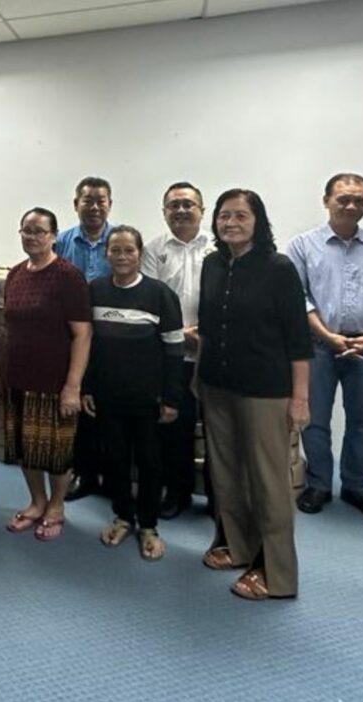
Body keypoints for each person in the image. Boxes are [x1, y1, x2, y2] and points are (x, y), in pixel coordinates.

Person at [198, 188, 311, 600]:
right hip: (217, 385)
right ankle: (239, 547)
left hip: (266, 391)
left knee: (269, 482)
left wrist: (299, 399)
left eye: (240, 216)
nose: (230, 223)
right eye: (223, 216)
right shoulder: (212, 264)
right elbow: (211, 327)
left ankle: (277, 574)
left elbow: (299, 340)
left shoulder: (279, 268)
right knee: (226, 475)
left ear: (258, 222)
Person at [287, 173, 363, 523]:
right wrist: (326, 335)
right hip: (317, 347)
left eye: (360, 200)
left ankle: (356, 486)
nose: (351, 205)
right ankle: (320, 483)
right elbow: (297, 296)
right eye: (343, 199)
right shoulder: (302, 246)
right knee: (315, 419)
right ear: (326, 200)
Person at [83, 226, 183, 561]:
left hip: (149, 400)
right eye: (116, 250)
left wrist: (172, 398)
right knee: (115, 460)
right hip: (108, 397)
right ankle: (124, 516)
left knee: (151, 464)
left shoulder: (159, 294)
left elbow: (174, 351)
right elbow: (87, 347)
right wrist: (86, 388)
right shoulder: (94, 290)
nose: (122, 257)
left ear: (140, 254)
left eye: (129, 250)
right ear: (105, 254)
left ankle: (149, 526)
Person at [0, 207, 91, 541]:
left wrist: (73, 386)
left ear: (54, 236)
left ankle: (56, 505)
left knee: (56, 450)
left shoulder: (68, 276)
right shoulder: (16, 274)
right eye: (26, 230)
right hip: (17, 376)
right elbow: (7, 327)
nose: (32, 237)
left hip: (54, 380)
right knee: (26, 446)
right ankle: (36, 501)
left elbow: (82, 334)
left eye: (39, 231)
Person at [141, 181, 215, 519]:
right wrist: (179, 335)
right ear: (164, 212)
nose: (182, 210)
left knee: (219, 432)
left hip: (215, 356)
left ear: (202, 210)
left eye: (188, 204)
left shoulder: (219, 249)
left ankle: (220, 499)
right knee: (174, 431)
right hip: (170, 358)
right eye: (174, 205)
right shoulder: (154, 250)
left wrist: (207, 335)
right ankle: (178, 493)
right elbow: (147, 300)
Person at [55, 176, 114, 501]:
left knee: (104, 405)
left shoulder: (120, 239)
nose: (94, 206)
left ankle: (106, 473)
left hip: (111, 339)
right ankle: (82, 472)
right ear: (75, 204)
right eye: (87, 200)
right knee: (75, 404)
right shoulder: (62, 241)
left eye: (100, 200)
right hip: (72, 339)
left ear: (109, 204)